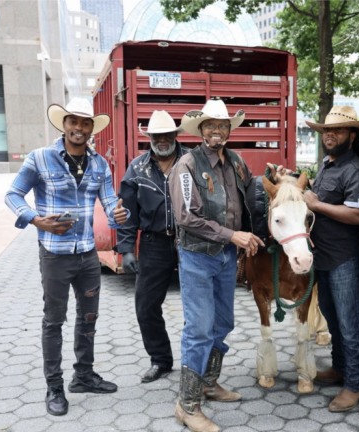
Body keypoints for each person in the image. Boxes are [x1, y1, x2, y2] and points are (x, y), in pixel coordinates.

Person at [5, 98, 129, 416]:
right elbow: (13, 194)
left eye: (85, 123)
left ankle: (83, 377)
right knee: (54, 321)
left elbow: (112, 207)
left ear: (91, 129)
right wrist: (35, 219)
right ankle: (54, 387)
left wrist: (120, 214)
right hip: (55, 255)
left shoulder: (100, 164)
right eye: (73, 121)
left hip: (87, 256)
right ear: (64, 124)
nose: (79, 127)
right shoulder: (40, 158)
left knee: (88, 317)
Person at [169, 98, 265, 432]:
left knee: (223, 323)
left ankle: (208, 382)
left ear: (228, 130)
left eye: (223, 126)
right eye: (211, 126)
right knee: (199, 328)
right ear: (200, 130)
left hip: (225, 257)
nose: (217, 131)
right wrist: (232, 236)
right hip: (197, 256)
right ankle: (187, 404)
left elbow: (253, 193)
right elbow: (186, 217)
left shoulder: (236, 161)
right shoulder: (187, 165)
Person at [303, 105, 359, 412]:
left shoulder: (354, 168)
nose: (329, 135)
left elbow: (358, 215)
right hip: (324, 257)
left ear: (351, 135)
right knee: (332, 319)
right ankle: (340, 368)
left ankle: (355, 385)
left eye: (337, 130)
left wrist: (316, 204)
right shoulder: (328, 164)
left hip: (346, 259)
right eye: (326, 131)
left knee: (349, 324)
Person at [116, 111, 190, 383]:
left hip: (190, 241)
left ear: (176, 135)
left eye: (167, 134)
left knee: (195, 305)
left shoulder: (192, 160)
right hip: (153, 242)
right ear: (149, 138)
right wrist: (125, 249)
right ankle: (160, 361)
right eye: (156, 136)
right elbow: (126, 210)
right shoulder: (137, 167)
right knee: (146, 306)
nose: (162, 140)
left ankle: (194, 363)